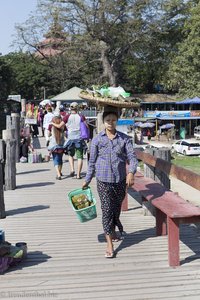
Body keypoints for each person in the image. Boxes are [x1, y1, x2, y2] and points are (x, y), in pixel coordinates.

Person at [82, 110, 138, 259]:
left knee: (115, 208)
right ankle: (109, 244)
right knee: (106, 209)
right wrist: (87, 180)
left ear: (117, 121)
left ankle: (113, 230)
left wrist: (131, 172)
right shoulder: (97, 140)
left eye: (113, 120)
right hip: (102, 179)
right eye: (108, 120)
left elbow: (132, 158)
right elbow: (92, 161)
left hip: (120, 180)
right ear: (103, 121)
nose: (111, 122)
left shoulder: (124, 139)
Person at [52, 102, 88, 179]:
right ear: (77, 108)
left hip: (70, 139)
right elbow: (86, 126)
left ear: (70, 108)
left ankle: (72, 169)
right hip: (79, 138)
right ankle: (78, 175)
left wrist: (52, 123)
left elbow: (59, 126)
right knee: (80, 157)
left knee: (70, 155)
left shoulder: (66, 117)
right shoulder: (81, 116)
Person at [48, 115, 66, 180]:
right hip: (61, 145)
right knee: (60, 159)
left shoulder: (51, 126)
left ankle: (58, 174)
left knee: (55, 160)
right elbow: (65, 134)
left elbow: (48, 134)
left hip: (54, 146)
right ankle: (60, 172)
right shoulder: (63, 126)